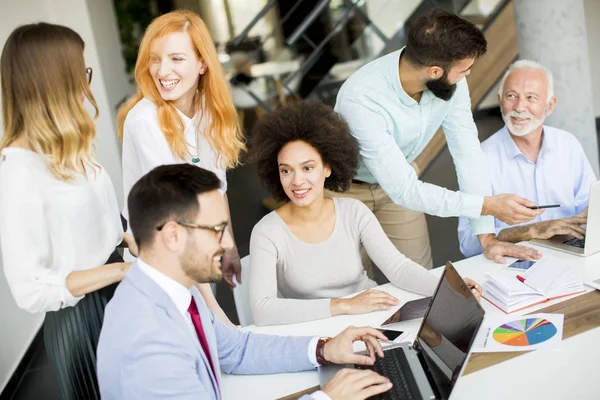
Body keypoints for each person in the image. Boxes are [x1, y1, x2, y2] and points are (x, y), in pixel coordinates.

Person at [97, 163, 397, 400]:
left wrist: (324, 349)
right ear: (173, 236)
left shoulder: (170, 290)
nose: (228, 243)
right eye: (217, 230)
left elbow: (236, 350)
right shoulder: (147, 341)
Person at [334, 9, 542, 268]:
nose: (467, 75)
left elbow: (467, 154)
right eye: (464, 70)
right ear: (434, 71)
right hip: (347, 190)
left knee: (419, 275)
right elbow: (406, 191)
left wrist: (486, 236)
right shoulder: (361, 99)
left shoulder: (450, 80)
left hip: (401, 181)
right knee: (350, 281)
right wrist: (487, 204)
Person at [248, 101, 481, 326]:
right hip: (316, 331)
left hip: (372, 319)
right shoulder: (267, 232)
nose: (297, 181)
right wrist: (345, 305)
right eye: (286, 170)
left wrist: (449, 288)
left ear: (327, 167)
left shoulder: (353, 211)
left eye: (308, 168)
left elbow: (398, 268)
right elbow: (262, 310)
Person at [0, 23, 137, 400]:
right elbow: (31, 290)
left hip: (119, 295)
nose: (86, 82)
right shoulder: (18, 170)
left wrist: (132, 240)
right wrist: (122, 269)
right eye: (81, 71)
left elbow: (101, 217)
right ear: (53, 79)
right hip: (84, 322)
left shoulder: (68, 147)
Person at [117, 10, 245, 325]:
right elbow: (179, 216)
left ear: (202, 63)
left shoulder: (208, 111)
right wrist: (217, 315)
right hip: (158, 261)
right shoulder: (145, 120)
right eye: (155, 59)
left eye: (176, 59)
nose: (163, 71)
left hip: (193, 251)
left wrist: (228, 246)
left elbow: (217, 189)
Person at [458, 60, 597, 257]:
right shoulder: (480, 158)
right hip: (513, 271)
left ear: (550, 106)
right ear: (499, 101)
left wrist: (592, 215)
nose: (520, 107)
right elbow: (468, 243)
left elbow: (588, 206)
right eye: (511, 96)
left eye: (531, 97)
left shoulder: (568, 144)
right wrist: (531, 231)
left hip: (571, 259)